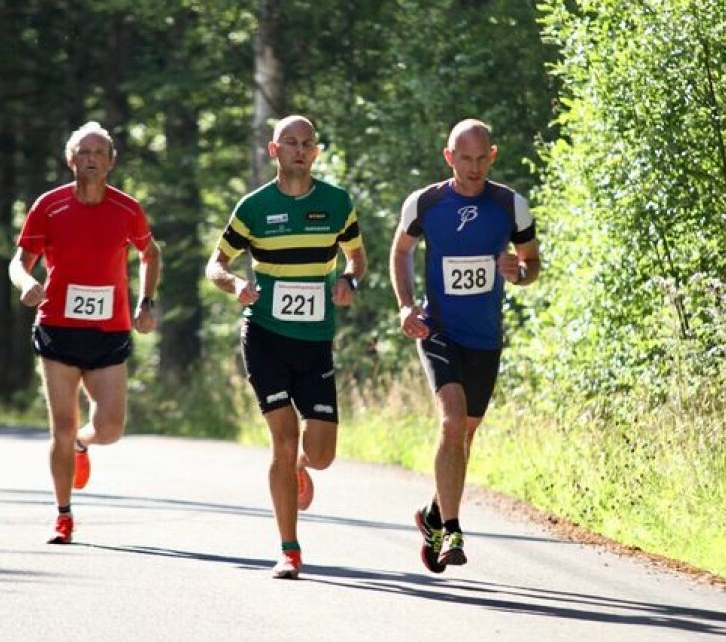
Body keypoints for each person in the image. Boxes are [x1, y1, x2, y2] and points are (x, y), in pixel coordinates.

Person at [206, 115, 366, 579]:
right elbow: (215, 263)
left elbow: (356, 257)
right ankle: (289, 550)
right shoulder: (254, 207)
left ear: (315, 152)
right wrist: (235, 284)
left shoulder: (336, 203)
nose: (299, 150)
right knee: (283, 438)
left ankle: (300, 464)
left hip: (315, 342)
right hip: (266, 336)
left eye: (306, 143)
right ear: (273, 150)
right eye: (290, 143)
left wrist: (349, 280)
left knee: (322, 455)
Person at [389, 118, 540, 573]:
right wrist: (406, 305)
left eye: (481, 159)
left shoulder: (510, 205)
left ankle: (434, 514)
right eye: (464, 159)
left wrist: (520, 273)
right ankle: (452, 529)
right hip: (438, 329)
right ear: (448, 157)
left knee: (465, 434)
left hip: (485, 338)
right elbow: (401, 251)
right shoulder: (425, 203)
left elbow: (532, 263)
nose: (473, 168)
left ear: (492, 156)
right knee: (452, 420)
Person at [9, 121, 161, 545]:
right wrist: (27, 283)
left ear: (111, 161)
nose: (91, 158)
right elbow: (19, 261)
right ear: (70, 159)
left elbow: (150, 253)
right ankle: (63, 515)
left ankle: (82, 444)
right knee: (61, 425)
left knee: (110, 428)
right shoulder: (49, 206)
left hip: (109, 330)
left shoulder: (127, 209)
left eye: (99, 152)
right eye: (83, 152)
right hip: (57, 327)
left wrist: (146, 302)